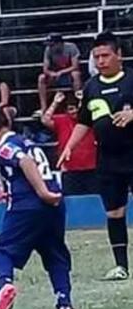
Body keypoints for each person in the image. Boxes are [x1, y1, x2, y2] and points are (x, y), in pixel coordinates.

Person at [0, 105, 75, 309]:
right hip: (55, 205)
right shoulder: (27, 141)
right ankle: (64, 303)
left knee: (3, 252)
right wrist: (49, 193)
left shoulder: (5, 146)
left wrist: (42, 192)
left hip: (27, 205)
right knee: (55, 255)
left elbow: (24, 162)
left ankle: (5, 284)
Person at [58, 31, 133, 281]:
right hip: (108, 159)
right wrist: (70, 146)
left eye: (105, 55)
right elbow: (84, 121)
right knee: (114, 212)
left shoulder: (132, 79)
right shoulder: (91, 86)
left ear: (119, 55)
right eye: (96, 57)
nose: (101, 61)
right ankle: (121, 265)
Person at [41, 91, 97, 196]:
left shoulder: (90, 118)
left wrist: (84, 100)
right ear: (66, 110)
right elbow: (45, 120)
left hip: (92, 168)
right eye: (71, 109)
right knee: (72, 202)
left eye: (76, 108)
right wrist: (55, 103)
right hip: (70, 170)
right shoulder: (62, 120)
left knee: (95, 200)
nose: (74, 111)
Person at [38, 33, 83, 111]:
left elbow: (75, 66)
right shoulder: (48, 49)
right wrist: (51, 73)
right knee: (41, 78)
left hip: (68, 74)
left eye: (53, 45)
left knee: (76, 74)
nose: (51, 47)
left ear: (59, 43)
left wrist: (61, 72)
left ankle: (80, 103)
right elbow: (45, 68)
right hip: (54, 76)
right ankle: (43, 107)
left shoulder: (71, 47)